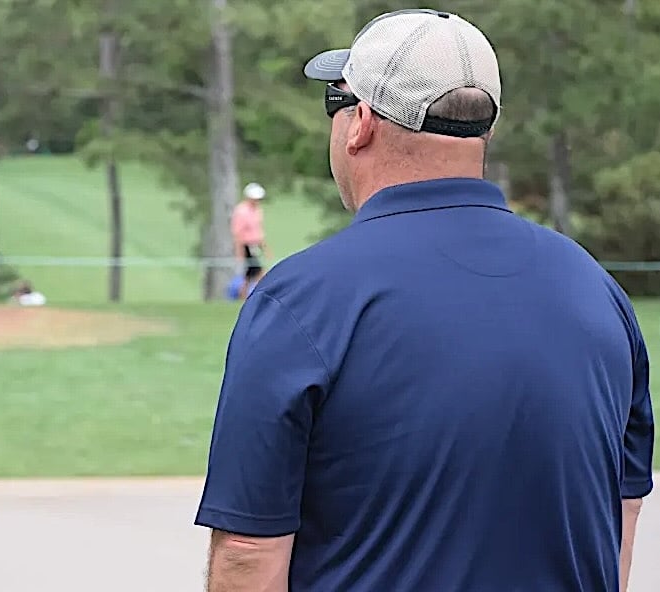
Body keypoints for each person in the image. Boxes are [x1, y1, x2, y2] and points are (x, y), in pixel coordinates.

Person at [195, 9, 653, 592]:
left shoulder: (303, 300)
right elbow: (621, 520)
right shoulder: (598, 291)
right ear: (484, 130)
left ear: (359, 122)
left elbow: (247, 549)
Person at [230, 182, 270, 299]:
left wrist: (265, 248)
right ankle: (253, 296)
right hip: (246, 246)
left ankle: (244, 296)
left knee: (249, 276)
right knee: (258, 273)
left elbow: (258, 231)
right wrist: (240, 252)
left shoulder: (257, 211)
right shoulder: (242, 211)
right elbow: (238, 232)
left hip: (254, 245)